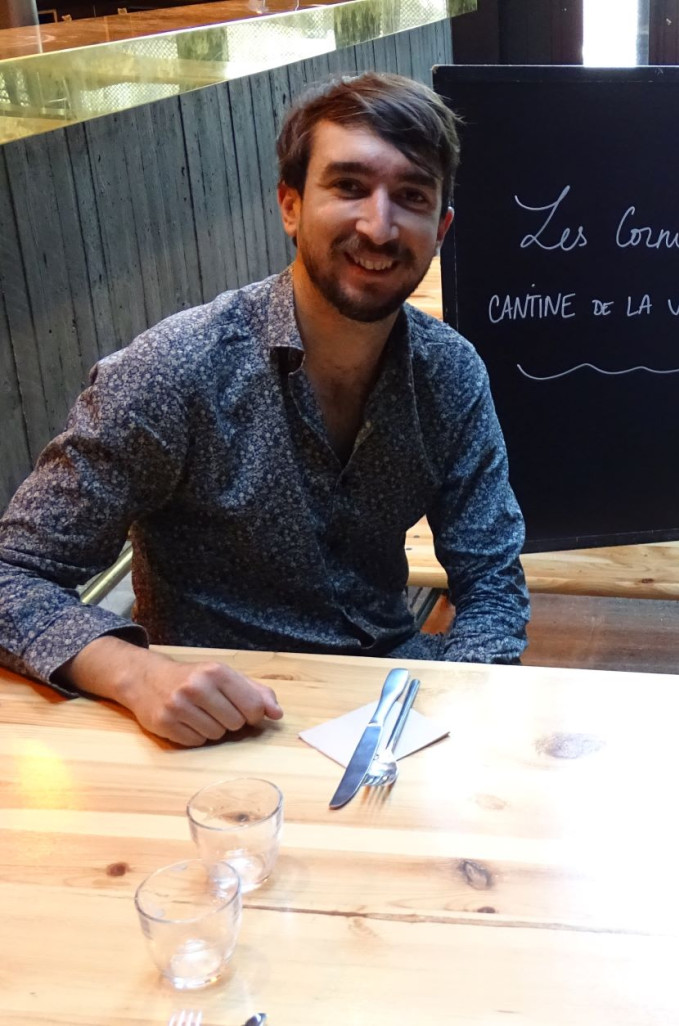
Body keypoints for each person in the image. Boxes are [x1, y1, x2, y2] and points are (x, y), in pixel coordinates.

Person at [0, 73, 529, 747]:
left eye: (412, 196)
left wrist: (441, 720)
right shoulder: (175, 371)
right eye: (348, 186)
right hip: (217, 726)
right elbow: (12, 575)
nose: (379, 223)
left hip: (390, 717)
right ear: (290, 205)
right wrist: (135, 673)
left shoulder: (451, 374)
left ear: (441, 228)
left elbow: (493, 586)